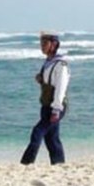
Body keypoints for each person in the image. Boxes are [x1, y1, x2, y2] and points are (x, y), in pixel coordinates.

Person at [20, 32, 70, 165]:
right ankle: (59, 164)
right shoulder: (48, 62)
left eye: (45, 43)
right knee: (52, 139)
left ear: (54, 44)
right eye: (41, 43)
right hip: (46, 104)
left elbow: (61, 87)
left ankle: (26, 163)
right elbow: (49, 81)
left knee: (37, 132)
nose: (42, 46)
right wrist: (41, 79)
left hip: (55, 106)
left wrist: (56, 110)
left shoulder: (60, 64)